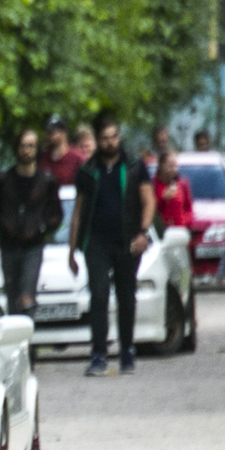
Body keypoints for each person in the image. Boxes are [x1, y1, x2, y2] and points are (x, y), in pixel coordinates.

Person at [68, 111, 156, 377]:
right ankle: (99, 354)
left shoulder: (133, 166)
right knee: (98, 295)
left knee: (126, 297)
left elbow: (148, 200)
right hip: (96, 241)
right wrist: (71, 250)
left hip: (127, 240)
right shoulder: (88, 171)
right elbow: (79, 211)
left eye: (114, 136)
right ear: (97, 139)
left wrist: (143, 232)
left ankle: (127, 349)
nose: (110, 142)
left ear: (119, 137)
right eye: (104, 138)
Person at [0, 127, 63, 313]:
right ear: (17, 148)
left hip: (34, 244)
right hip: (9, 244)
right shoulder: (2, 180)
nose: (27, 150)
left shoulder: (46, 181)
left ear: (37, 149)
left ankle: (27, 334)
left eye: (31, 146)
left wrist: (42, 227)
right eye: (23, 146)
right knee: (12, 294)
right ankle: (17, 334)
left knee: (27, 294)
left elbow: (56, 213)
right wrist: (3, 223)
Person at [151, 152, 193, 230]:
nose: (174, 169)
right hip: (161, 232)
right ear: (161, 166)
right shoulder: (152, 185)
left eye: (175, 166)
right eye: (170, 166)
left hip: (180, 232)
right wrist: (163, 199)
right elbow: (150, 211)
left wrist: (184, 222)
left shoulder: (182, 184)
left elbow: (189, 209)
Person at [39, 115, 85, 187]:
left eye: (52, 133)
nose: (48, 136)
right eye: (47, 133)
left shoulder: (77, 159)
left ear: (64, 133)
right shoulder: (42, 157)